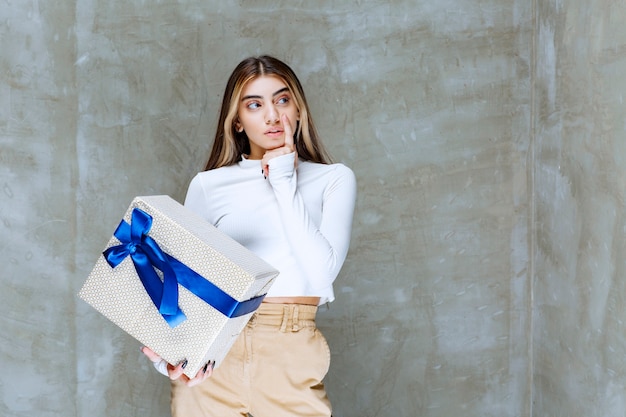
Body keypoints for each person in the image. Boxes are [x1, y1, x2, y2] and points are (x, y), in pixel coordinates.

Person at [142, 55, 356, 417]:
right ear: (238, 121)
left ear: (299, 110)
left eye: (282, 100)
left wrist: (284, 179)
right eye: (255, 105)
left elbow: (322, 276)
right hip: (215, 356)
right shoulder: (209, 185)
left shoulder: (333, 179)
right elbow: (181, 285)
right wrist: (167, 361)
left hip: (289, 351)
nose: (272, 116)